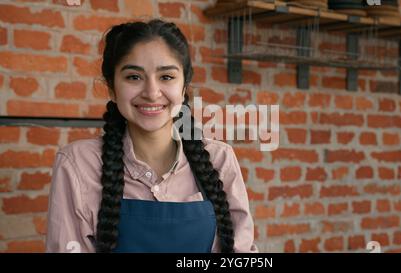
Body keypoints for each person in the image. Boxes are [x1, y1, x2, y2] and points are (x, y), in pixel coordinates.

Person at [45, 19, 258, 253]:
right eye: (134, 77)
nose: (151, 93)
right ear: (111, 89)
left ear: (184, 88)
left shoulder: (220, 158)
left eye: (166, 77)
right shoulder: (77, 164)